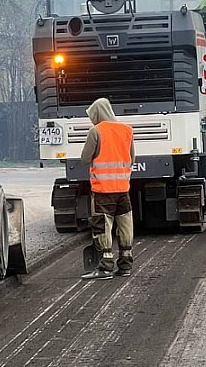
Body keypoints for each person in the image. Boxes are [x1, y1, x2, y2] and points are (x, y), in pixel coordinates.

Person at [80, 98, 135, 280]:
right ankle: (125, 266)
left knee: (102, 227)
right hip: (123, 189)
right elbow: (131, 158)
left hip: (103, 191)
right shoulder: (127, 130)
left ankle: (105, 267)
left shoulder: (96, 131)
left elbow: (85, 158)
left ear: (97, 113)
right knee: (125, 225)